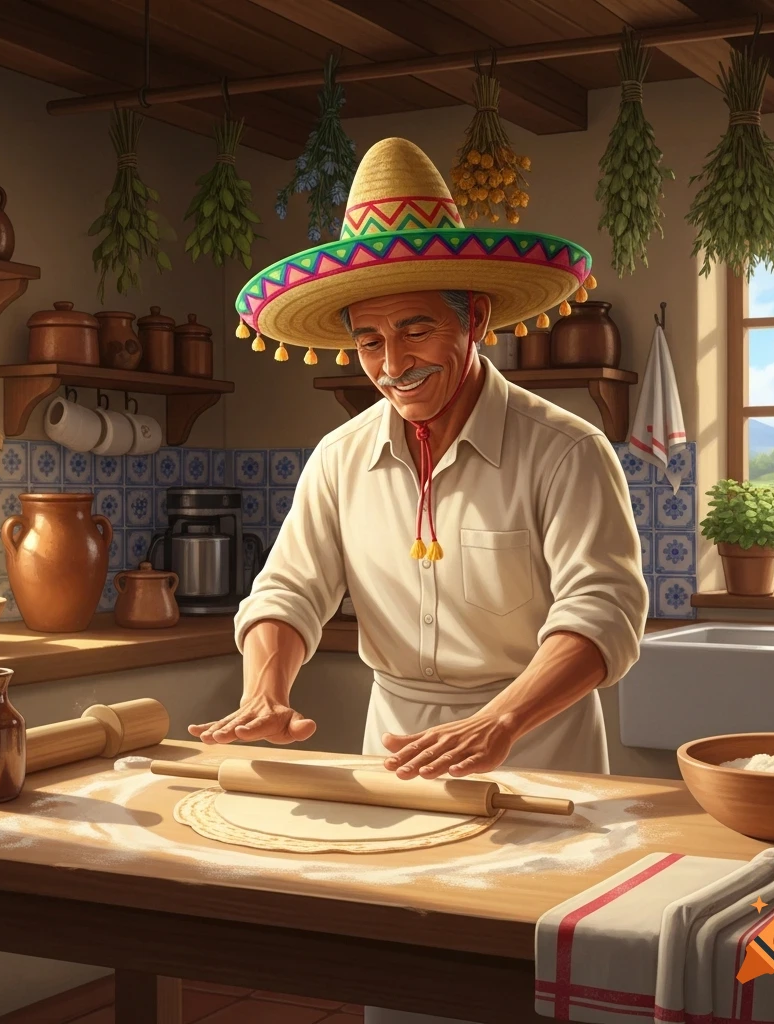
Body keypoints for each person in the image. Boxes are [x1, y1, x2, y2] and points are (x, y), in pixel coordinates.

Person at [189, 137, 649, 1024]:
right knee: (407, 989)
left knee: (537, 988)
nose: (391, 363)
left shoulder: (566, 449)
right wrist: (265, 690)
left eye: (415, 329)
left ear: (474, 316)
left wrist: (501, 719)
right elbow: (287, 591)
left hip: (540, 759)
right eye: (368, 340)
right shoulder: (337, 459)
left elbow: (605, 610)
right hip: (393, 762)